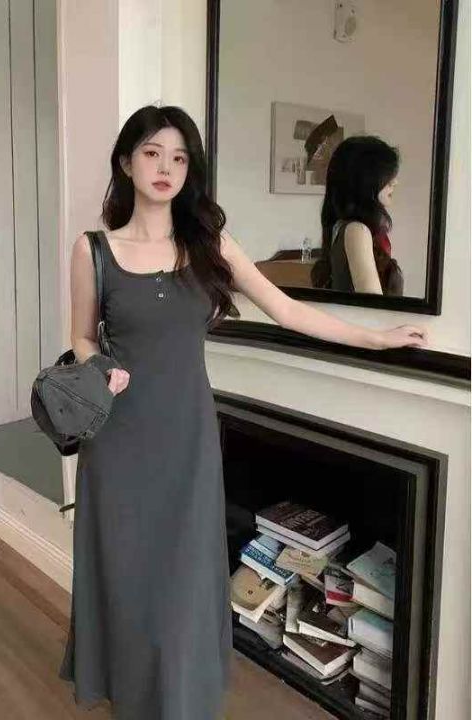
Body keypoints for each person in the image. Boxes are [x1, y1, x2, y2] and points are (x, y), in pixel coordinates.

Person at [59, 106, 426, 720]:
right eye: (152, 153)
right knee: (125, 573)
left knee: (183, 576)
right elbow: (80, 336)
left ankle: (177, 700)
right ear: (126, 162)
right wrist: (99, 366)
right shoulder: (93, 249)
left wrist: (375, 338)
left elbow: (287, 310)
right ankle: (133, 695)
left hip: (187, 439)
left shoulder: (210, 246)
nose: (166, 167)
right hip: (118, 441)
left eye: (179, 157)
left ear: (190, 170)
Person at [311, 136, 404, 295]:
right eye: (388, 176)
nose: (395, 182)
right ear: (365, 180)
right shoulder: (356, 230)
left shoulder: (345, 227)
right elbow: (372, 302)